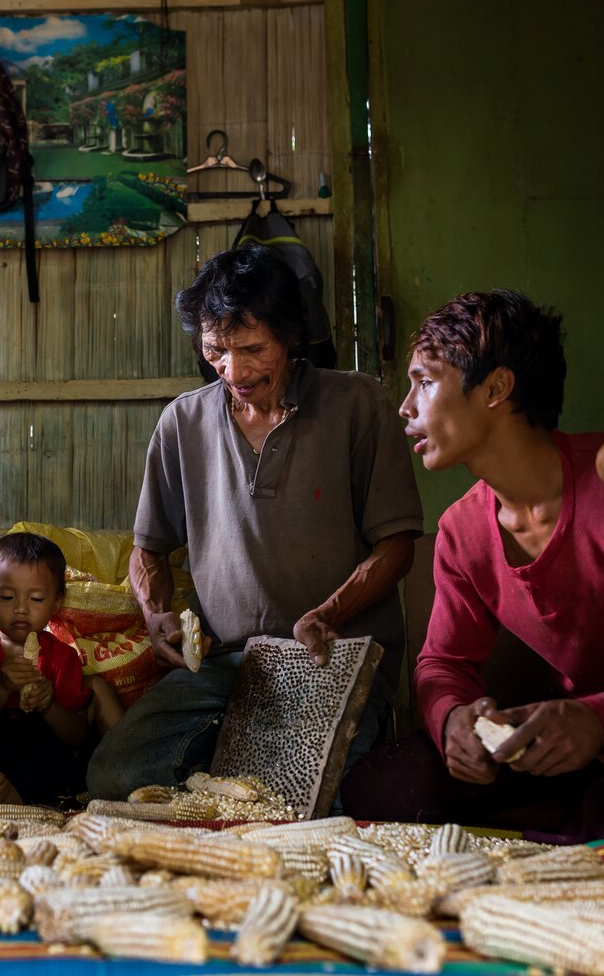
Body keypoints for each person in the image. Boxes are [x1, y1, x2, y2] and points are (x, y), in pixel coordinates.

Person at [86, 245, 424, 799]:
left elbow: (397, 546)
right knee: (116, 777)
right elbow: (147, 550)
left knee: (300, 797)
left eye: (251, 349)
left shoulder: (357, 405)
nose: (233, 371)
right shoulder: (183, 422)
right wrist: (156, 616)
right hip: (227, 664)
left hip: (332, 656)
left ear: (291, 337)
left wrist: (329, 614)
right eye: (216, 350)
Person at [339, 290, 604, 853]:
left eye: (425, 381)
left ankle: (579, 822)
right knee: (379, 787)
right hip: (553, 738)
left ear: (495, 388)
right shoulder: (462, 531)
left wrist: (601, 721)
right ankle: (572, 821)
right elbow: (443, 662)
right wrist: (452, 722)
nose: (405, 405)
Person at [0, 533, 93, 805]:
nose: (20, 609)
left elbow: (78, 735)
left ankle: (16, 796)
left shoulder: (63, 657)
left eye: (37, 599)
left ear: (56, 602)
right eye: (6, 597)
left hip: (40, 756)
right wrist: (2, 687)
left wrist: (49, 705)